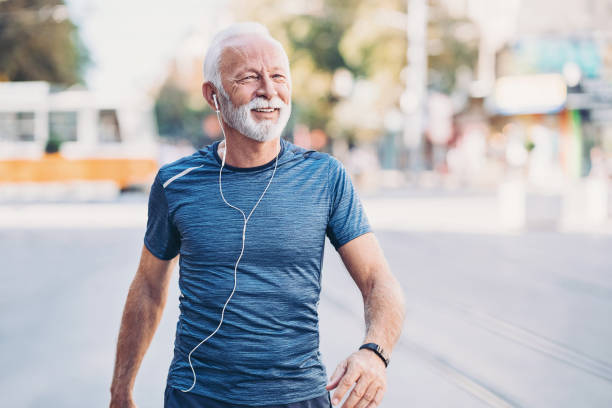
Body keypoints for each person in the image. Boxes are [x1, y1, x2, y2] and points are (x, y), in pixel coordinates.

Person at [109, 22, 405, 408]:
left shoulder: (325, 177)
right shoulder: (175, 182)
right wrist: (120, 390)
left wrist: (374, 353)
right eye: (249, 77)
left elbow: (378, 281)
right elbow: (148, 288)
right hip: (196, 398)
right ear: (213, 95)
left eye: (279, 76)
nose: (269, 91)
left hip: (299, 398)